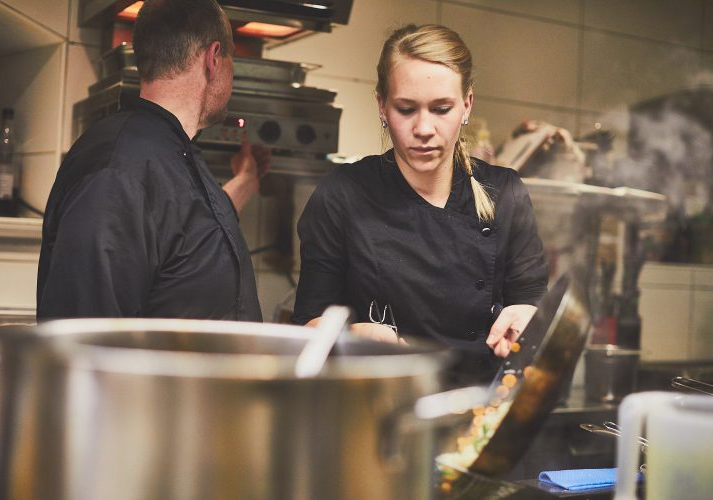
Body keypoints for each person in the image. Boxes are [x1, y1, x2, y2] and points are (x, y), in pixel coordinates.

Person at [291, 24, 548, 384]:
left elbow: (534, 303)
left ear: (466, 105)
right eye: (406, 109)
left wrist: (526, 316)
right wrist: (353, 335)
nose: (424, 128)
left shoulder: (505, 192)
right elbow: (307, 326)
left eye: (441, 109)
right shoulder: (342, 194)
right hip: (379, 402)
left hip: (476, 403)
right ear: (382, 106)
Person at [37, 0, 270, 321]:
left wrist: (245, 181)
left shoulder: (173, 150)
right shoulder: (116, 170)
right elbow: (86, 330)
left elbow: (187, 234)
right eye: (233, 61)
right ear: (213, 58)